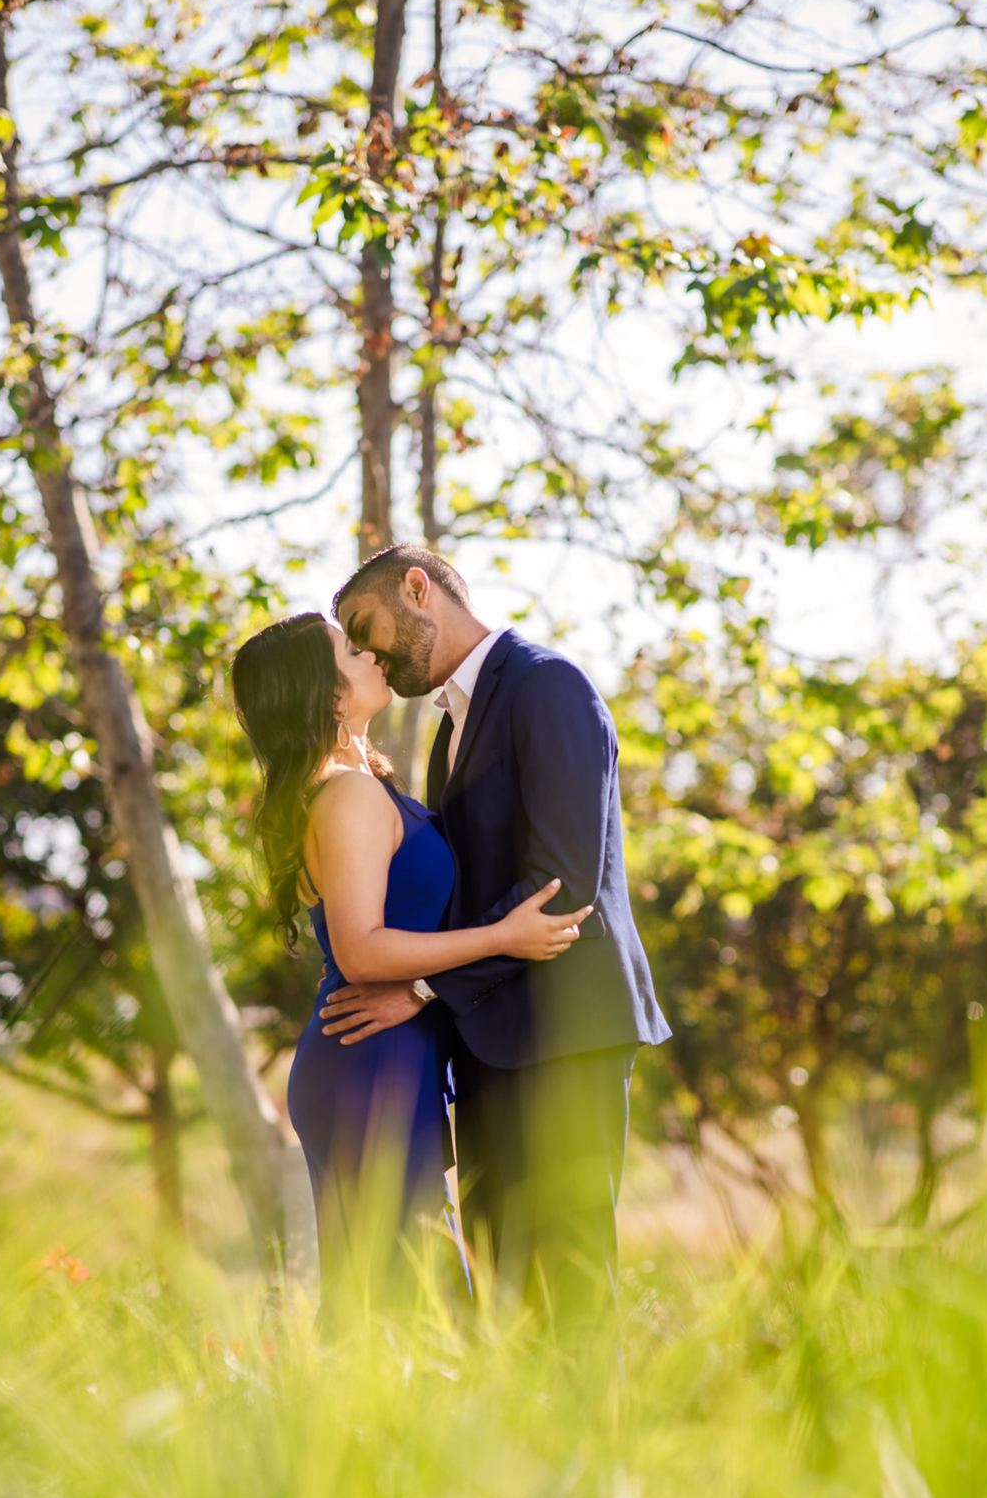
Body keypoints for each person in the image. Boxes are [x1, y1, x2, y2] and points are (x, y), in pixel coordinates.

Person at [315, 544, 671, 1336]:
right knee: (506, 1298)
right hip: (486, 1048)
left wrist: (423, 988)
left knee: (570, 1289)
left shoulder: (548, 686)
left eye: (364, 629)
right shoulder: (450, 728)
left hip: (564, 1038)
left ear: (418, 589)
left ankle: (595, 1461)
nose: (365, 652)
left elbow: (563, 887)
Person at [229, 610, 588, 1321]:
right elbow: (361, 949)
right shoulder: (348, 795)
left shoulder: (360, 783)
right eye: (348, 649)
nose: (370, 655)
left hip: (383, 1052)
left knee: (389, 1291)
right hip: (372, 1057)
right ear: (326, 694)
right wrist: (502, 937)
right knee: (411, 1299)